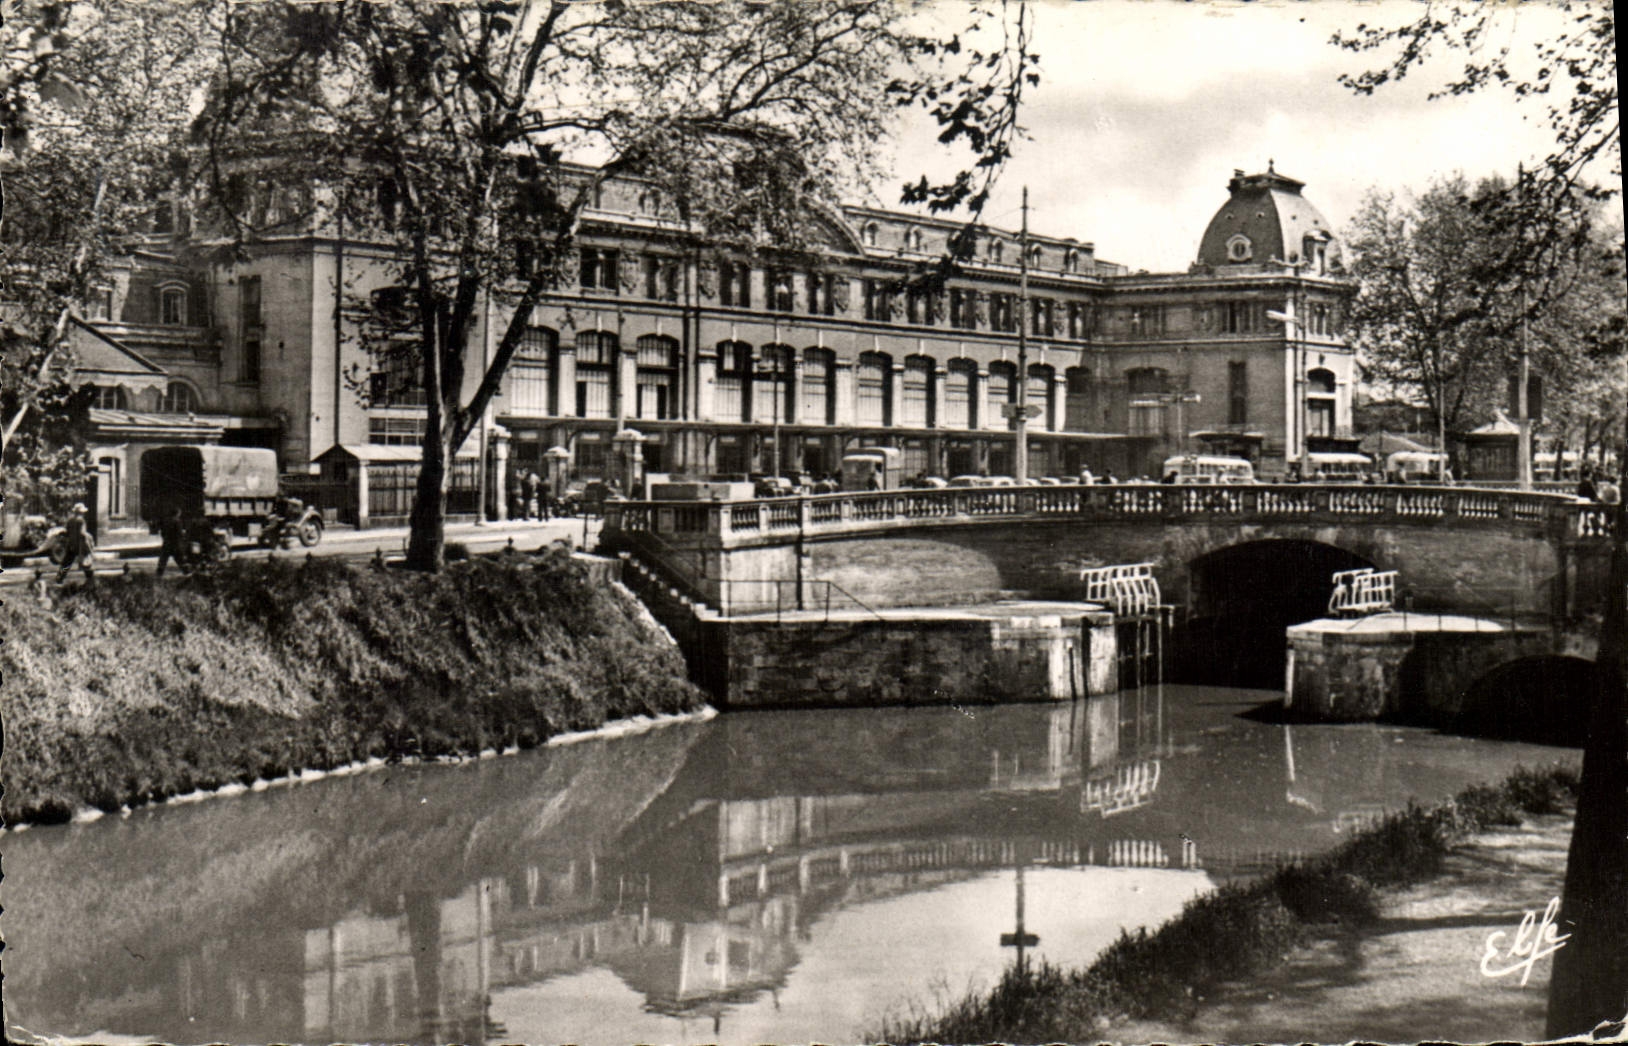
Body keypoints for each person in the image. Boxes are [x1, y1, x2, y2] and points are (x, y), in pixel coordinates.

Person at [55, 503, 95, 584]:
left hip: (71, 545)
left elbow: (67, 532)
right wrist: (89, 538)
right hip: (80, 545)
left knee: (66, 563)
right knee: (86, 562)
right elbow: (82, 533)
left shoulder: (70, 520)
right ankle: (90, 579)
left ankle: (60, 577)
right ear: (81, 512)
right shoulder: (81, 521)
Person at [156, 506, 189, 578]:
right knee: (180, 559)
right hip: (175, 543)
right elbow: (179, 533)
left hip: (167, 543)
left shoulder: (166, 521)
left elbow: (162, 532)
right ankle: (186, 572)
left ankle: (159, 574)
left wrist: (165, 538)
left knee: (163, 559)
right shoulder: (177, 521)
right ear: (177, 513)